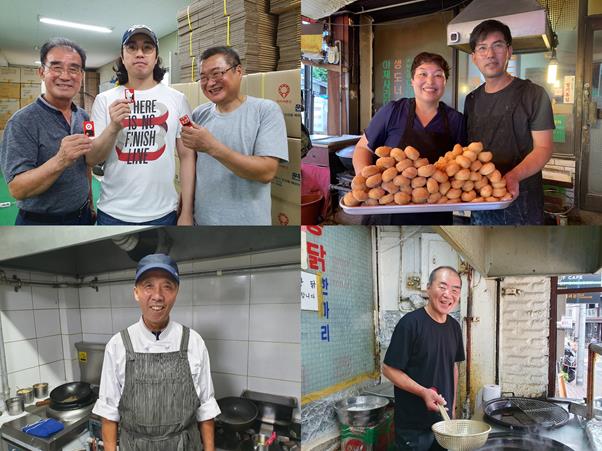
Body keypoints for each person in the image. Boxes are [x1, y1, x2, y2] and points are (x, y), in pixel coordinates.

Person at [92, 253, 220, 451]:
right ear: (136, 292)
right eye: (148, 285)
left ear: (176, 292)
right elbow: (108, 414)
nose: (158, 295)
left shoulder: (194, 342)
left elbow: (206, 408)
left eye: (167, 286)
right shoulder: (118, 345)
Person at [86, 25, 196, 225]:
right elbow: (92, 159)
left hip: (163, 213)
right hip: (113, 213)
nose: (139, 54)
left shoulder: (178, 100)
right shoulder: (104, 100)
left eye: (147, 48)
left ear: (156, 57)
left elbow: (187, 156)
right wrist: (113, 127)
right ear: (122, 55)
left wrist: (187, 211)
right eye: (132, 47)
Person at [352, 52, 466, 225]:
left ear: (445, 82)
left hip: (435, 211)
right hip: (388, 209)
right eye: (422, 74)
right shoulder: (393, 111)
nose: (430, 81)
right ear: (412, 80)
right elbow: (362, 149)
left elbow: (461, 163)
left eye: (438, 75)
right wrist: (368, 183)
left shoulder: (456, 120)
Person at [180, 46, 288, 225]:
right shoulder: (199, 114)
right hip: (202, 221)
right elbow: (189, 166)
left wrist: (212, 146)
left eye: (217, 73)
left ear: (238, 71)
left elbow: (267, 172)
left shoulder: (265, 110)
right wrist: (185, 211)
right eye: (204, 78)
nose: (210, 83)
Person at [464, 19, 554, 225]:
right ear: (474, 58)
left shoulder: (533, 94)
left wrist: (513, 176)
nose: (490, 54)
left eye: (497, 45)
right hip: (482, 201)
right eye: (482, 48)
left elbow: (544, 148)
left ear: (509, 51)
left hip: (524, 202)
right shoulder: (471, 100)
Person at [0, 38, 94, 225]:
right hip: (41, 221)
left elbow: (86, 166)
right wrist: (61, 160)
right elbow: (17, 189)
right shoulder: (22, 122)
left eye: (74, 69)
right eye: (56, 67)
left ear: (81, 76)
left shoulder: (83, 116)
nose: (65, 76)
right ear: (42, 72)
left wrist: (90, 202)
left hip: (82, 215)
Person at [383, 266, 465, 451]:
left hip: (443, 423)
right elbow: (388, 369)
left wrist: (451, 408)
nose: (448, 294)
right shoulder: (410, 324)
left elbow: (452, 367)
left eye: (455, 290)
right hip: (413, 426)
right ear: (428, 288)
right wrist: (422, 392)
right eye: (442, 287)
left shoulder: (454, 327)